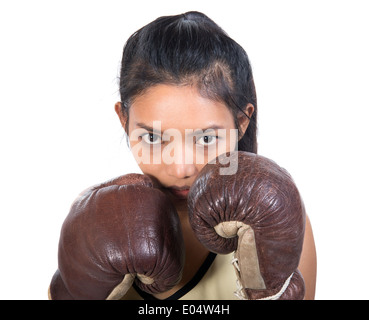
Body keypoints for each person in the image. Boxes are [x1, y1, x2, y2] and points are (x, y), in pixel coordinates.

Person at [113, 11, 317, 300]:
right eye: (154, 138)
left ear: (241, 123)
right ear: (124, 121)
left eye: (206, 138)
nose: (181, 167)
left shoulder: (278, 228)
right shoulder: (96, 227)